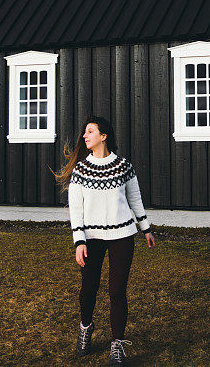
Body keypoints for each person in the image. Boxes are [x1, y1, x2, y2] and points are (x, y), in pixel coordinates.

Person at [54, 115, 155, 366]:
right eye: (85, 133)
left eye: (90, 132)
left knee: (117, 292)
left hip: (123, 236)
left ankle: (117, 345)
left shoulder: (123, 166)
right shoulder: (81, 169)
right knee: (89, 289)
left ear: (104, 136)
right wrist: (79, 242)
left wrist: (146, 228)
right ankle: (86, 328)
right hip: (91, 239)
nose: (84, 136)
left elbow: (135, 199)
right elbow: (75, 209)